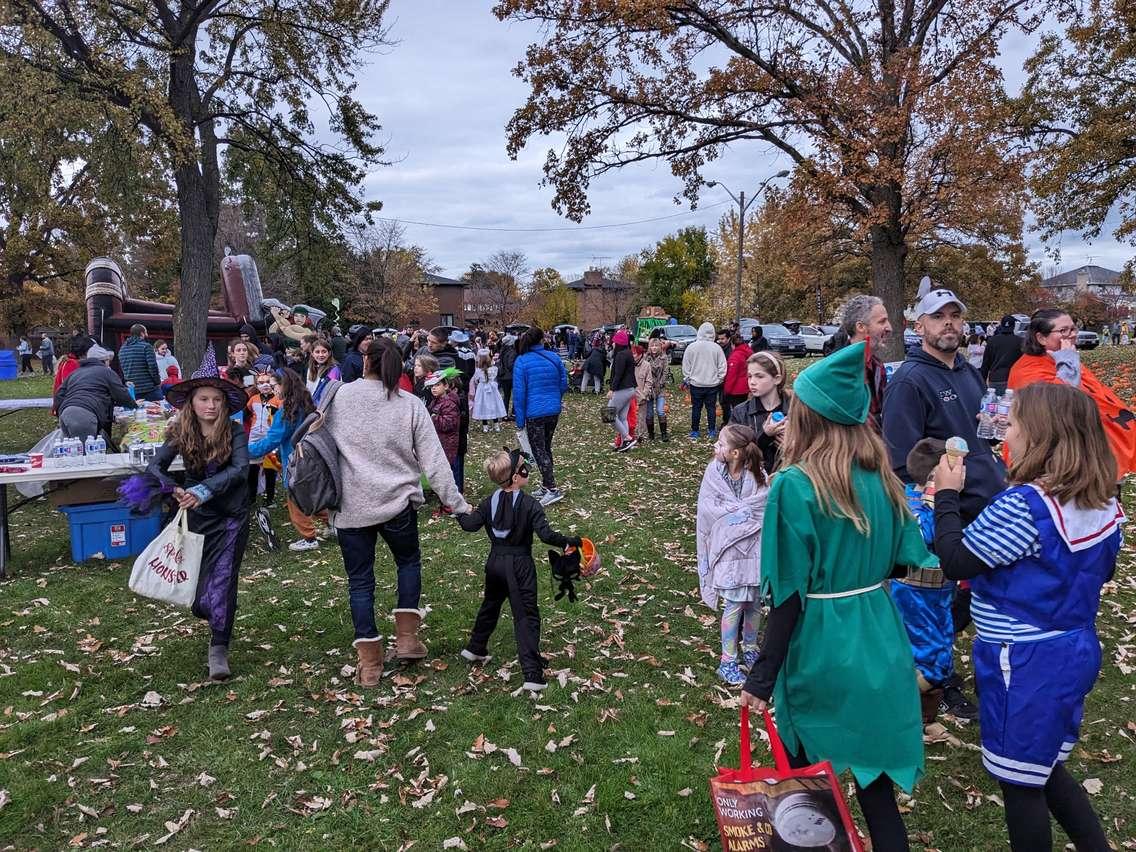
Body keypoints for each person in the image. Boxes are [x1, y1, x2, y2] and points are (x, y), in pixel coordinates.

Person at [740, 341, 935, 851]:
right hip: (879, 640)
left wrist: (761, 677)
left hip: (821, 648)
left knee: (803, 788)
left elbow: (787, 596)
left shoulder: (795, 486)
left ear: (810, 418)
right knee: (877, 793)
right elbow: (902, 559)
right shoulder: (883, 481)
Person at [932, 382, 1121, 851]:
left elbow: (957, 560)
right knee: (1044, 766)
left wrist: (947, 495)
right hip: (1072, 648)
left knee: (1019, 783)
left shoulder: (1024, 506)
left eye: (1013, 424)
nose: (1005, 432)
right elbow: (1100, 568)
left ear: (1040, 435)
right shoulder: (1101, 502)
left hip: (1022, 660)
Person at [322, 339, 470, 685]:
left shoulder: (337, 398)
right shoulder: (410, 404)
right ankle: (406, 640)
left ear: (364, 361)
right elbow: (434, 462)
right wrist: (459, 505)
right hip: (398, 504)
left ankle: (370, 664)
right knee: (407, 563)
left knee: (361, 581)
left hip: (351, 507)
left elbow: (321, 449)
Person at [132, 347, 252, 680]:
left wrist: (204, 490)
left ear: (224, 402)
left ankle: (219, 649)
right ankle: (211, 611)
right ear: (192, 403)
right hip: (195, 519)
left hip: (230, 517)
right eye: (204, 399)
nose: (210, 405)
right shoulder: (181, 433)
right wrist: (175, 489)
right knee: (200, 589)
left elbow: (241, 470)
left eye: (216, 399)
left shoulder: (235, 432)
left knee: (224, 579)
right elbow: (155, 467)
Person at [456, 449, 582, 692]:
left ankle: (475, 648)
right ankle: (532, 674)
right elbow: (546, 535)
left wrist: (460, 512)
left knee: (491, 604)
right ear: (515, 477)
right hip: (520, 566)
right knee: (526, 616)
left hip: (495, 563)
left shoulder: (488, 502)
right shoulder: (530, 504)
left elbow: (470, 525)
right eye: (524, 467)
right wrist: (567, 542)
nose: (527, 470)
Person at [883, 286, 1004, 524]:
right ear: (918, 327)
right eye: (938, 317)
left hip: (992, 503)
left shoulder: (969, 371)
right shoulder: (909, 381)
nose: (948, 322)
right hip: (954, 516)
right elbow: (902, 464)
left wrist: (994, 429)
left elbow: (980, 438)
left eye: (955, 316)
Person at [890, 438, 977, 724]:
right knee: (933, 663)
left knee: (932, 653)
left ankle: (920, 717)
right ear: (934, 476)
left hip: (938, 594)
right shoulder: (917, 507)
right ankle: (892, 708)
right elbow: (922, 535)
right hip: (916, 595)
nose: (962, 475)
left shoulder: (912, 498)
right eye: (956, 468)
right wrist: (937, 501)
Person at [1007, 309, 1136, 480]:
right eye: (1063, 331)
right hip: (1053, 463)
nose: (1072, 335)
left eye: (1073, 329)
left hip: (1090, 453)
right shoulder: (1028, 370)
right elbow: (1063, 405)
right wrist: (1067, 363)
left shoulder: (1062, 359)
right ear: (1041, 338)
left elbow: (1095, 396)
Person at [696, 424, 768, 686]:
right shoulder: (713, 473)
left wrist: (739, 517)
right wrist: (738, 517)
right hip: (726, 549)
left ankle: (750, 647)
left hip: (754, 549)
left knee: (755, 601)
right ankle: (728, 659)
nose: (716, 447)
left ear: (735, 453)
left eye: (721, 444)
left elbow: (763, 507)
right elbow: (708, 509)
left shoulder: (758, 475)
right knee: (734, 603)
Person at [248, 369, 334, 552]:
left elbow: (272, 439)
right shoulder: (305, 403)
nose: (273, 390)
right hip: (311, 457)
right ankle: (334, 525)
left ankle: (309, 538)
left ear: (284, 385)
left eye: (274, 386)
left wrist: (245, 450)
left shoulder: (287, 410)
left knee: (295, 500)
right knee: (312, 496)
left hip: (295, 460)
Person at [512, 325, 569, 507]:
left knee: (539, 451)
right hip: (552, 411)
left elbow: (519, 394)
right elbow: (563, 382)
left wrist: (519, 420)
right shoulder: (553, 357)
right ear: (542, 340)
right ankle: (546, 485)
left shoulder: (522, 361)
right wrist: (555, 398)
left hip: (535, 413)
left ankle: (552, 488)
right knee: (546, 447)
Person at [54, 342, 137, 441]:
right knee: (87, 453)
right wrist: (135, 406)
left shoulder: (75, 373)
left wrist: (61, 413)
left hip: (66, 413)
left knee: (71, 451)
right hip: (86, 414)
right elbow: (121, 394)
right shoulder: (107, 372)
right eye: (108, 360)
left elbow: (59, 395)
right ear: (104, 360)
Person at [730, 351, 790, 475]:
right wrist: (765, 436)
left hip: (790, 482)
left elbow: (816, 445)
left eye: (759, 376)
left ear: (777, 379)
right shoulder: (741, 412)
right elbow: (733, 450)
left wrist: (793, 446)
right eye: (750, 376)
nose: (752, 381)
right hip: (753, 481)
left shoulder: (796, 410)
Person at [840, 294, 892, 430]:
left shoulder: (877, 366)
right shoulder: (837, 370)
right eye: (882, 322)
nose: (889, 328)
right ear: (861, 327)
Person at [682, 322, 727, 441]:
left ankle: (695, 431)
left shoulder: (692, 347)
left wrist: (687, 378)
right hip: (712, 384)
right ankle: (711, 430)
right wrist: (720, 379)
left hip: (696, 383)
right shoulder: (716, 348)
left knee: (696, 408)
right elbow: (722, 365)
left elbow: (686, 365)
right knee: (711, 408)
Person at [425, 368, 462, 509]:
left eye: (437, 385)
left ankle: (451, 503)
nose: (434, 389)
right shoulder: (436, 401)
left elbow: (448, 424)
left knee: (449, 474)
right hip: (440, 443)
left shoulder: (449, 403)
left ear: (446, 386)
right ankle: (446, 501)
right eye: (432, 386)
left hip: (448, 445)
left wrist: (433, 418)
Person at [606, 329, 638, 452]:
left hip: (622, 390)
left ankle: (628, 438)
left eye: (614, 342)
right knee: (622, 417)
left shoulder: (620, 355)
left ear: (618, 343)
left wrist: (612, 389)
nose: (612, 344)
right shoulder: (628, 353)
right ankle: (624, 444)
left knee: (609, 415)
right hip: (631, 389)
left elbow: (618, 374)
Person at [979, 315, 1022, 393]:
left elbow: (985, 364)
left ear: (1001, 325)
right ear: (1014, 326)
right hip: (1014, 379)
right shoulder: (1020, 341)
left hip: (996, 379)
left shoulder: (992, 341)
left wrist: (981, 383)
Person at [119, 324, 161, 401]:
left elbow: (123, 369)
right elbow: (152, 366)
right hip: (149, 389)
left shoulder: (122, 349)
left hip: (132, 390)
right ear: (142, 334)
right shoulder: (146, 347)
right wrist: (157, 382)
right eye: (146, 332)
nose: (147, 334)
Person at [469, 349, 507, 432]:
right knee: (494, 404)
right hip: (492, 389)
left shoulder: (478, 371)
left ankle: (485, 426)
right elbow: (495, 377)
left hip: (482, 389)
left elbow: (476, 380)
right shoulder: (494, 369)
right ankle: (496, 425)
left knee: (483, 405)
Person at [720, 331, 752, 424]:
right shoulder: (748, 352)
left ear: (732, 344)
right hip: (745, 386)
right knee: (744, 407)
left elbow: (731, 375)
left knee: (737, 409)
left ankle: (737, 425)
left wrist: (727, 390)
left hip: (736, 389)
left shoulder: (735, 356)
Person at [305, 336, 341, 405]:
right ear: (312, 353)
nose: (321, 355)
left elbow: (329, 394)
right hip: (311, 407)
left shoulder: (333, 370)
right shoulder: (311, 368)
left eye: (324, 352)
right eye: (317, 352)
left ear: (329, 353)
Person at [497, 333, 518, 414]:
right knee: (515, 395)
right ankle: (513, 412)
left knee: (506, 396)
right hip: (510, 376)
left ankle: (504, 413)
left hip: (503, 376)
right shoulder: (512, 351)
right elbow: (510, 364)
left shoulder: (502, 350)